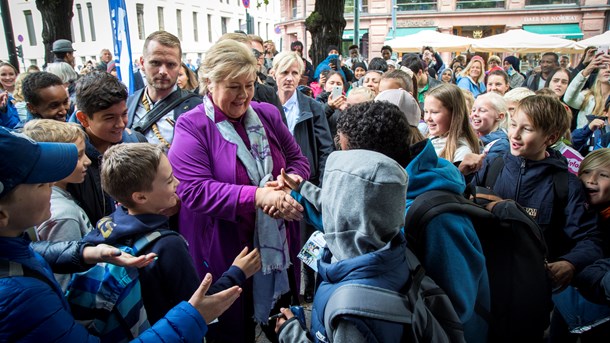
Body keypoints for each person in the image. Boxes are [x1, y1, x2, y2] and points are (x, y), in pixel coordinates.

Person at [271, 101, 489, 343]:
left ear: (368, 165)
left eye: (344, 156)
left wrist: (378, 312)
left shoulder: (439, 220)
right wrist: (299, 191)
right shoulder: (378, 192)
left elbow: (457, 308)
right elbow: (346, 219)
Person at [0, 127, 243, 342]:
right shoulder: (24, 299)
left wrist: (88, 251)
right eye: (42, 184)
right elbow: (195, 300)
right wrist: (195, 315)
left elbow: (31, 252)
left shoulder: (105, 226)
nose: (52, 187)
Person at [168, 39, 310, 343]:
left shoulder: (267, 114)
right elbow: (194, 190)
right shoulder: (192, 126)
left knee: (282, 320)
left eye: (249, 84)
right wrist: (258, 196)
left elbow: (299, 160)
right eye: (234, 86)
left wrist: (286, 182)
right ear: (209, 82)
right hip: (224, 246)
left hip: (277, 243)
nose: (244, 95)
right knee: (232, 328)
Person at [472, 95, 604, 340]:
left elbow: (591, 239)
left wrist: (570, 263)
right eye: (513, 125)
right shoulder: (491, 168)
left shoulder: (565, 185)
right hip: (483, 290)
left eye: (527, 129)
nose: (515, 135)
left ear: (551, 138)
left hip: (531, 299)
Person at [91, 142, 261, 325]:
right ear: (140, 197)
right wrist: (238, 272)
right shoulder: (168, 246)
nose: (178, 183)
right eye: (169, 180)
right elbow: (196, 308)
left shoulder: (107, 225)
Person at [275, 149, 411, 343]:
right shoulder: (391, 245)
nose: (326, 205)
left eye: (331, 197)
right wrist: (301, 189)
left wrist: (291, 334)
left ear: (344, 214)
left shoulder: (355, 315)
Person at [21, 119, 93, 290]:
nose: (88, 161)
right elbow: (65, 283)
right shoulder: (63, 214)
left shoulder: (60, 197)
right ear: (53, 161)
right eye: (78, 156)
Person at [70, 71, 147, 226]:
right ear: (83, 118)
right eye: (109, 118)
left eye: (124, 114)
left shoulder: (137, 143)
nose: (120, 124)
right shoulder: (70, 158)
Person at [126, 31, 202, 148]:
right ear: (142, 63)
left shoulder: (198, 107)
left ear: (179, 66)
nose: (163, 71)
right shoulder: (128, 104)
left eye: (171, 64)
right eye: (155, 63)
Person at [424, 83, 480, 165]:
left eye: (434, 112)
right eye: (426, 111)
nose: (427, 118)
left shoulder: (461, 152)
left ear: (453, 114)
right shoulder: (430, 139)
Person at [564, 52, 610, 129]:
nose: (608, 70)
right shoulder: (587, 97)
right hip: (585, 139)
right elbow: (568, 99)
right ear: (598, 74)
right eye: (604, 67)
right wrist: (587, 70)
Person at [470, 92, 510, 161]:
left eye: (482, 110)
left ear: (500, 116)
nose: (475, 114)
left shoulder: (501, 145)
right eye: (473, 110)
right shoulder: (471, 138)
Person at [0, 62, 19, 128]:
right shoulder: (1, 98)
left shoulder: (26, 92)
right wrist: (3, 109)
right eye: (3, 74)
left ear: (16, 75)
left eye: (11, 74)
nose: (8, 78)